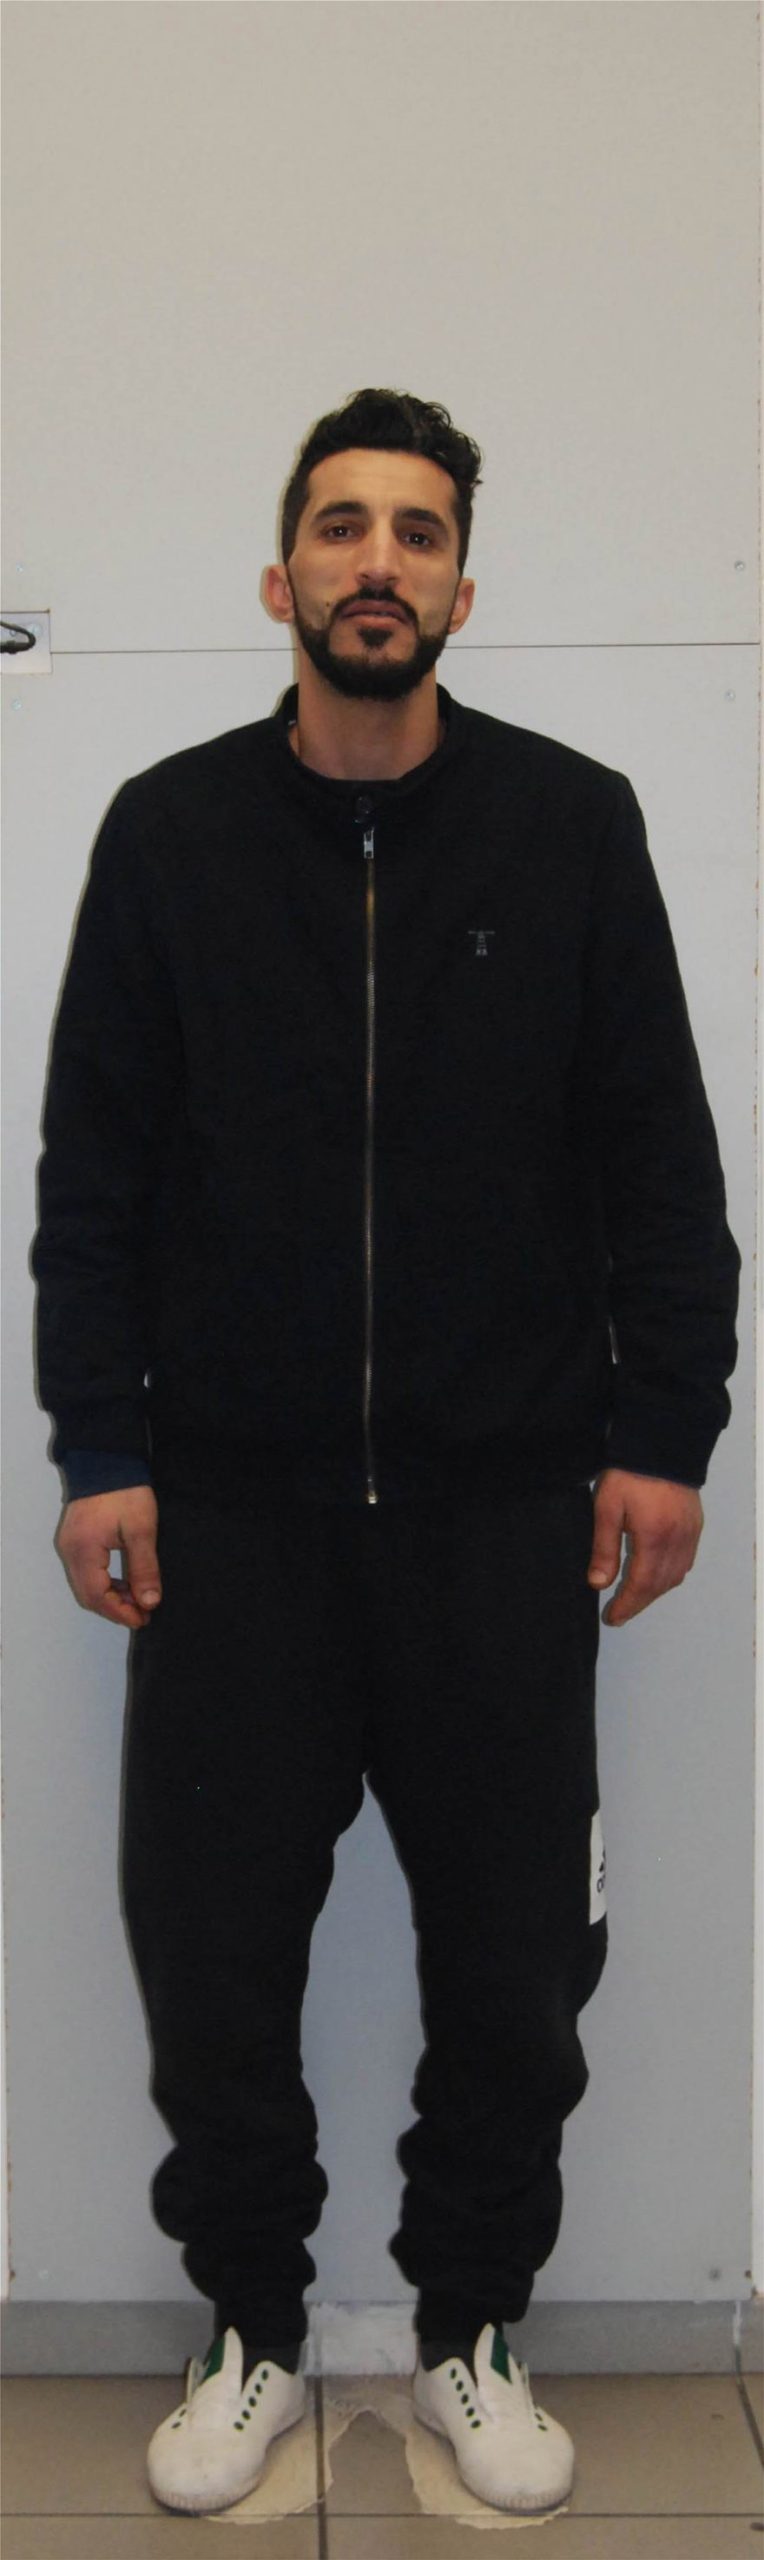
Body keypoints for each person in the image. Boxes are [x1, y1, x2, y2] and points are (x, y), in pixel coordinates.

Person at [30, 387, 741, 2519]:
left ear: (459, 586)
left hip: (501, 1514)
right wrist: (99, 1441)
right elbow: (93, 1175)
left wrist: (663, 1429)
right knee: (214, 1966)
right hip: (229, 1519)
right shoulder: (167, 833)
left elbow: (659, 1162)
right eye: (341, 525)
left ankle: (471, 2324)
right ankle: (251, 2321)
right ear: (282, 574)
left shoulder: (571, 825)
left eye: (415, 531)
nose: (376, 562)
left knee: (517, 1969)